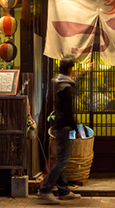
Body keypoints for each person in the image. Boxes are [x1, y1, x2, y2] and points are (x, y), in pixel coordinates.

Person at [38, 57, 81, 204]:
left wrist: (84, 73)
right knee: (63, 160)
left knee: (61, 159)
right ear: (70, 69)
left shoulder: (59, 83)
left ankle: (63, 191)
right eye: (73, 68)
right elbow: (68, 111)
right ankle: (45, 189)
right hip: (64, 126)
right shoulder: (66, 87)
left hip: (59, 125)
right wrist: (76, 129)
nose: (74, 71)